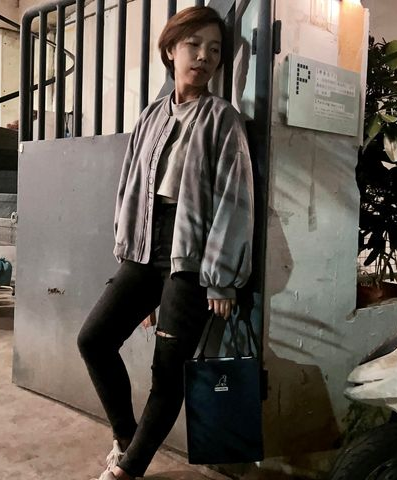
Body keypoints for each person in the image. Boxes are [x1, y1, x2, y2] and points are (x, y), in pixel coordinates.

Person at [77, 6, 254, 480]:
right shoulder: (151, 116)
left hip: (192, 255)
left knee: (168, 369)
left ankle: (128, 469)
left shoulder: (223, 119)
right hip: (145, 247)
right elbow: (129, 187)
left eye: (214, 50)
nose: (204, 56)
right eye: (194, 45)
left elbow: (235, 200)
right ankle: (125, 437)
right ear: (171, 49)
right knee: (93, 340)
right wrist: (129, 253)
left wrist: (221, 279)